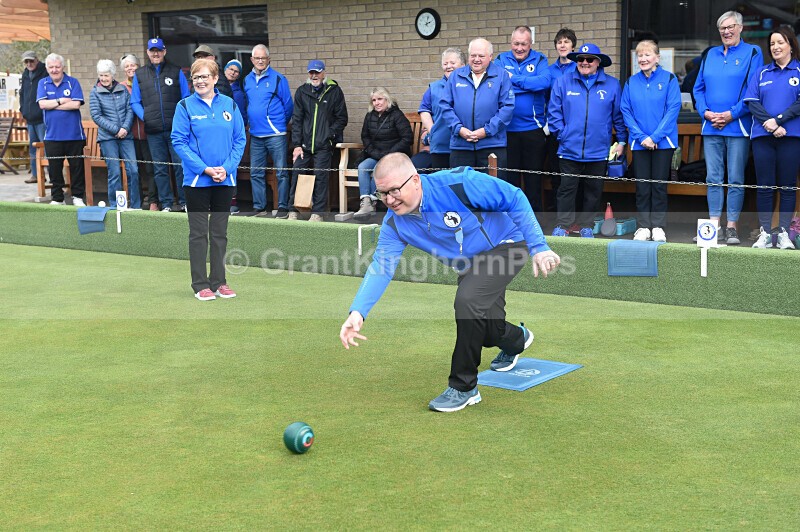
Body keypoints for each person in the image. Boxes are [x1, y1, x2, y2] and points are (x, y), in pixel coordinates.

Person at [338, 153, 560, 412]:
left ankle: (464, 387)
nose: (389, 200)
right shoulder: (394, 223)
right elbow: (382, 266)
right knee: (486, 330)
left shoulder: (459, 183)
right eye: (382, 193)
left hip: (508, 243)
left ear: (416, 180)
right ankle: (516, 339)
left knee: (468, 301)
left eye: (395, 190)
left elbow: (514, 197)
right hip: (470, 264)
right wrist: (358, 312)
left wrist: (539, 246)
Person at [171, 59, 246, 300]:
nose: (200, 81)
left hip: (224, 179)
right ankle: (200, 284)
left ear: (215, 79)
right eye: (196, 77)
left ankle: (219, 281)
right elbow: (179, 142)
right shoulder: (184, 107)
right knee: (198, 233)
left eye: (205, 76)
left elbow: (240, 140)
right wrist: (204, 169)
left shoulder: (230, 105)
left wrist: (226, 168)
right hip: (196, 182)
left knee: (219, 233)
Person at [693, 11, 763, 245]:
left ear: (741, 28)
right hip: (711, 126)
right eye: (722, 28)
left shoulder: (753, 52)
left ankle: (731, 227)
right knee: (713, 178)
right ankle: (714, 226)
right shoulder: (711, 54)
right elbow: (698, 88)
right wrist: (705, 111)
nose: (726, 31)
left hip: (738, 127)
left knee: (735, 179)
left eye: (731, 27)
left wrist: (731, 114)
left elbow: (752, 90)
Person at [548, 43, 627, 237]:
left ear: (598, 62)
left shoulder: (612, 84)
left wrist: (622, 142)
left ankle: (586, 225)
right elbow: (554, 112)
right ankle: (563, 225)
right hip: (569, 148)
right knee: (566, 189)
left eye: (589, 59)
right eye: (580, 59)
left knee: (593, 190)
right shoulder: (562, 82)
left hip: (598, 150)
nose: (584, 62)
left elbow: (618, 116)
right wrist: (563, 135)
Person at [744, 26, 800, 249]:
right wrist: (771, 124)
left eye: (780, 42)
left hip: (791, 137)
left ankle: (784, 233)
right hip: (763, 137)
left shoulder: (798, 71)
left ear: (790, 45)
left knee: (787, 186)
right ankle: (766, 232)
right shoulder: (762, 72)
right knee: (765, 186)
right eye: (772, 44)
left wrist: (779, 120)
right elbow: (751, 101)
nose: (775, 47)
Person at [621, 40, 681, 242]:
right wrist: (642, 137)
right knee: (642, 186)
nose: (643, 59)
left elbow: (672, 110)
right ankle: (643, 227)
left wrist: (655, 137)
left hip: (663, 143)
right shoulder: (631, 82)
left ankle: (658, 226)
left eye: (648, 55)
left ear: (657, 57)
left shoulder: (670, 79)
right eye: (640, 55)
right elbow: (626, 111)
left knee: (658, 186)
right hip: (639, 143)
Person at [440, 38, 514, 179]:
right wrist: (459, 129)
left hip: (492, 145)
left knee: (491, 192)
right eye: (473, 55)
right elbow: (445, 105)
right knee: (460, 191)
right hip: (461, 146)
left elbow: (507, 107)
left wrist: (486, 131)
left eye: (481, 56)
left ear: (490, 57)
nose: (476, 59)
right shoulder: (456, 76)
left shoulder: (501, 76)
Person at [495, 26, 552, 211]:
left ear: (530, 44)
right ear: (511, 43)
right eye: (516, 44)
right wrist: (529, 84)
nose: (519, 48)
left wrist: (514, 79)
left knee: (533, 180)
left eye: (524, 44)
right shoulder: (501, 59)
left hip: (533, 130)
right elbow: (498, 84)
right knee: (511, 181)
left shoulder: (540, 59)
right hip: (507, 131)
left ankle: (535, 222)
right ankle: (513, 221)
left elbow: (544, 82)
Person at [131, 37, 191, 212]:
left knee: (180, 165)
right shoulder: (140, 74)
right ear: (148, 53)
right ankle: (166, 204)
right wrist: (146, 117)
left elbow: (186, 97)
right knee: (160, 169)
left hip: (175, 130)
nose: (155, 53)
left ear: (164, 51)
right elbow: (135, 101)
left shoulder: (176, 71)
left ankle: (184, 202)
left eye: (158, 50)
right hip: (154, 131)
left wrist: (181, 120)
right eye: (152, 51)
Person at [288, 60, 348, 221]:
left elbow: (342, 118)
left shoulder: (334, 91)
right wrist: (297, 145)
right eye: (311, 73)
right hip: (304, 144)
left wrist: (330, 135)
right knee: (297, 173)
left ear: (323, 73)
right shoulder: (302, 91)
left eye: (317, 72)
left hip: (324, 144)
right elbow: (297, 120)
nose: (314, 75)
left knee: (321, 176)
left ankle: (318, 212)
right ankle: (293, 209)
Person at [243, 44, 293, 217]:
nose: (260, 61)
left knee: (281, 172)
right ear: (252, 60)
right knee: (255, 172)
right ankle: (260, 207)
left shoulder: (279, 79)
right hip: (255, 135)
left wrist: (278, 124)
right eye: (257, 58)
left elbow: (288, 106)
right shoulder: (247, 79)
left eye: (263, 58)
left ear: (269, 59)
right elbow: (248, 103)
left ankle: (283, 207)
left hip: (276, 134)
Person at [89, 59, 141, 209]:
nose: (104, 79)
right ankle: (117, 206)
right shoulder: (95, 93)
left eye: (106, 75)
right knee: (115, 173)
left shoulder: (122, 89)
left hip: (126, 136)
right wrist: (116, 130)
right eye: (101, 75)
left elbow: (130, 110)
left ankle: (135, 206)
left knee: (134, 170)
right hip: (107, 139)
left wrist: (124, 128)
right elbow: (96, 116)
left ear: (112, 75)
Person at [353, 87, 413, 219]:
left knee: (377, 169)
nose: (377, 103)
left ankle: (374, 200)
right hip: (376, 155)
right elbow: (365, 137)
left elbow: (407, 138)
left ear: (387, 99)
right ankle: (366, 202)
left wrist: (389, 154)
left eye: (380, 99)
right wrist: (375, 153)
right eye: (374, 100)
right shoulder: (369, 116)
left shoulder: (397, 115)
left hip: (394, 156)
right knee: (363, 167)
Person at [36, 53, 87, 206]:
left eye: (57, 66)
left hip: (74, 135)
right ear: (46, 68)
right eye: (51, 67)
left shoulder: (73, 82)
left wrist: (53, 105)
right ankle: (57, 198)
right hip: (52, 136)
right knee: (54, 169)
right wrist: (61, 100)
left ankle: (78, 197)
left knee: (77, 168)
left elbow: (76, 104)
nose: (54, 70)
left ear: (63, 67)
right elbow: (42, 105)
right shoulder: (42, 83)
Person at [418, 47, 466, 171]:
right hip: (441, 146)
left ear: (463, 65)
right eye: (445, 63)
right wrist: (432, 130)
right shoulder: (434, 88)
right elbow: (424, 110)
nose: (448, 66)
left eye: (452, 63)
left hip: (464, 146)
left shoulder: (471, 86)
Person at [121, 54, 157, 210]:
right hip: (131, 135)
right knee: (135, 170)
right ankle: (137, 201)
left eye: (133, 65)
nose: (130, 68)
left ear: (139, 66)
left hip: (148, 132)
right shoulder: (121, 87)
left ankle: (153, 201)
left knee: (151, 168)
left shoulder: (145, 82)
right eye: (127, 66)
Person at [546, 28, 578, 201]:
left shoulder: (580, 67)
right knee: (556, 173)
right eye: (559, 42)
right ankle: (558, 218)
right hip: (554, 129)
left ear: (573, 46)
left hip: (575, 130)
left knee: (574, 178)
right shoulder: (549, 71)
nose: (562, 45)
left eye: (566, 41)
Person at [19, 50, 48, 185]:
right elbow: (22, 93)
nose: (29, 63)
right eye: (26, 61)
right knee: (33, 148)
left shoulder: (45, 72)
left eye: (31, 60)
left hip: (42, 119)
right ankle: (36, 175)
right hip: (30, 119)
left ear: (37, 59)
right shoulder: (25, 74)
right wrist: (22, 109)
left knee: (47, 147)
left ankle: (52, 174)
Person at [225, 59, 248, 126]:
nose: (232, 73)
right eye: (231, 69)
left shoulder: (239, 94)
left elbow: (242, 119)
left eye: (236, 71)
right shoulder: (216, 88)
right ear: (225, 70)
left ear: (238, 75)